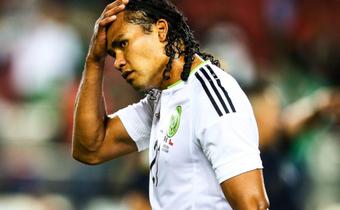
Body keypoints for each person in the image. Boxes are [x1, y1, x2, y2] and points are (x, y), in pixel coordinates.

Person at [72, 0, 269, 209]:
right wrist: (94, 60)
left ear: (161, 30)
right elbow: (90, 148)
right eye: (112, 54)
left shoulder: (209, 95)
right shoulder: (162, 98)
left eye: (123, 44)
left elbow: (253, 204)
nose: (117, 62)